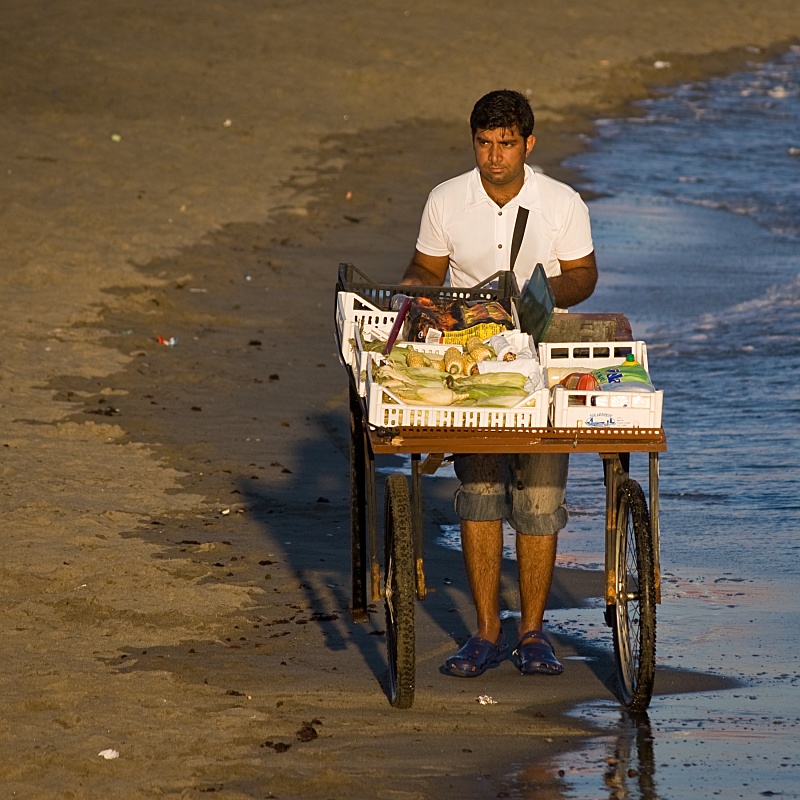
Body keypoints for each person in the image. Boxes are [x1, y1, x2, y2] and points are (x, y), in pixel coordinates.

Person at [400, 89, 597, 678]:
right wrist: (416, 292)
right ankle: (486, 631)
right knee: (480, 494)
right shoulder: (446, 199)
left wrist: (538, 291)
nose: (494, 156)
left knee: (539, 501)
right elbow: (425, 270)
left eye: (506, 144)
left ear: (528, 144)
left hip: (540, 362)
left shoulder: (561, 202)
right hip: (473, 367)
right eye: (484, 144)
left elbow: (584, 276)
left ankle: (533, 633)